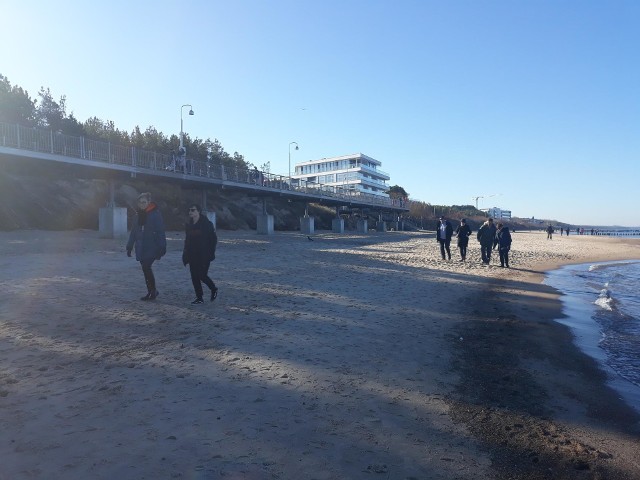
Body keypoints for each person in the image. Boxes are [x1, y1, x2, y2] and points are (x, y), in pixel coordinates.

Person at [126, 193, 167, 300]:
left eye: (144, 202)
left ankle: (153, 291)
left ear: (149, 202)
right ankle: (151, 291)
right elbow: (133, 232)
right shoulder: (137, 216)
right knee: (145, 269)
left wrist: (162, 247)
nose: (141, 204)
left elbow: (160, 232)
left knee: (146, 267)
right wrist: (129, 246)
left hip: (152, 246)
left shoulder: (155, 214)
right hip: (140, 247)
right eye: (140, 202)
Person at [182, 204, 218, 305]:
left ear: (199, 211)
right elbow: (187, 241)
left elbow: (213, 239)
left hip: (204, 255)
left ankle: (213, 288)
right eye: (189, 210)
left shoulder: (207, 224)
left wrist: (210, 253)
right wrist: (185, 254)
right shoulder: (189, 225)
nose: (190, 212)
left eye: (193, 210)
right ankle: (199, 298)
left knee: (202, 275)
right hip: (192, 255)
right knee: (194, 277)